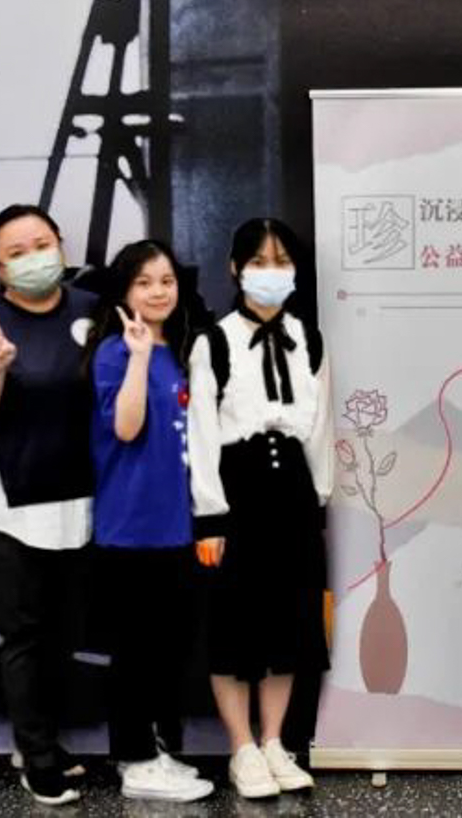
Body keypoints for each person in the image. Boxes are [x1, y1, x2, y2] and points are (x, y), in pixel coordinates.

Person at [0, 204, 98, 807]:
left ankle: (43, 738)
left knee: (66, 631)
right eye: (17, 253)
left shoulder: (94, 313)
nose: (34, 258)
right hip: (12, 502)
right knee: (24, 634)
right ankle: (36, 757)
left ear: (60, 245)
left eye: (42, 244)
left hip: (82, 496)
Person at [186, 219, 331, 800]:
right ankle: (241, 748)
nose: (271, 273)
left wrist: (319, 500)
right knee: (233, 623)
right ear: (235, 269)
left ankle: (274, 742)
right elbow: (201, 433)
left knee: (290, 620)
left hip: (292, 490)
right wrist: (210, 517)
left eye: (282, 262)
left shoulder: (309, 338)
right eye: (259, 262)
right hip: (236, 488)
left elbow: (320, 428)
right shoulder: (214, 342)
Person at [85, 240, 215, 803]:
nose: (159, 291)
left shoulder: (183, 350)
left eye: (166, 280)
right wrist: (138, 357)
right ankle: (134, 760)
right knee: (134, 652)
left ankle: (157, 752)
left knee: (166, 649)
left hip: (177, 525)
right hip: (130, 525)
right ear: (124, 291)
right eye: (144, 282)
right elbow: (126, 428)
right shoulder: (116, 351)